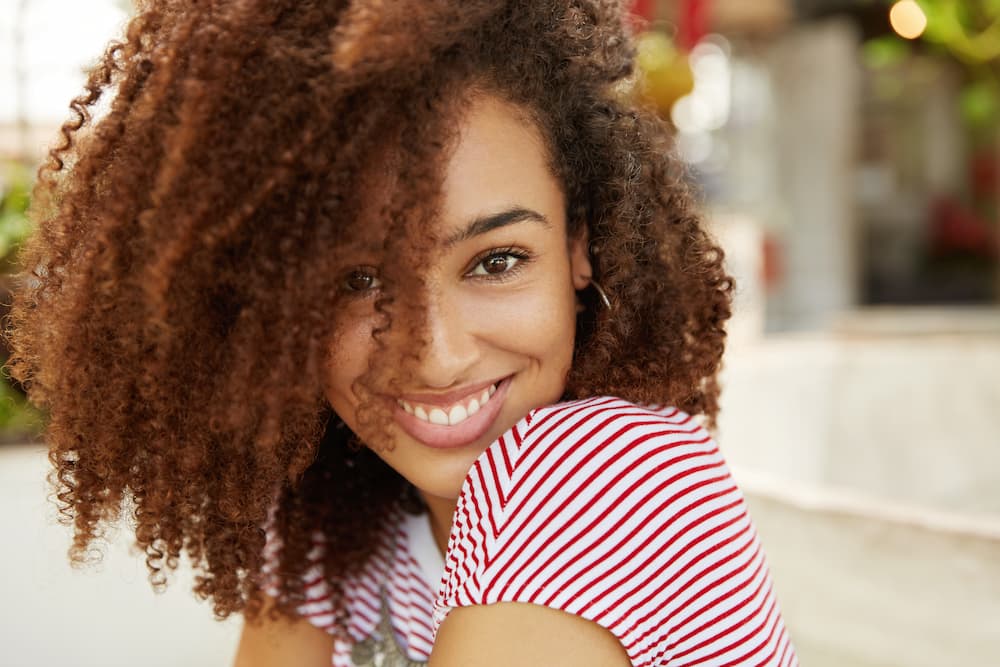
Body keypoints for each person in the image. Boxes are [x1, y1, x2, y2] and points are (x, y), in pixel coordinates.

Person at [5, 1, 798, 665]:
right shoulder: (328, 517)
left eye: (495, 260)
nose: (436, 352)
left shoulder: (603, 476)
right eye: (357, 282)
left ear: (578, 246)